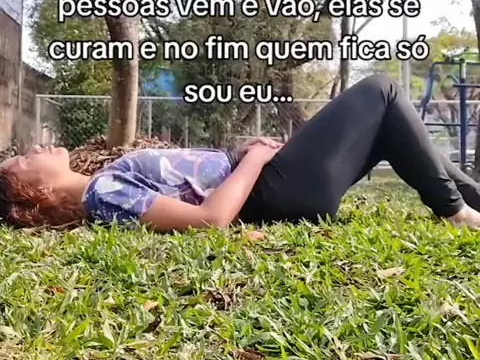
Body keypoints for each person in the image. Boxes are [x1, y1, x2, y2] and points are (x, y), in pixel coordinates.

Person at [2, 74, 480, 233]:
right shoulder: (104, 196)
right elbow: (210, 220)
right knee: (381, 91)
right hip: (274, 191)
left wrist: (240, 153)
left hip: (271, 180)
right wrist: (253, 161)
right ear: (32, 193)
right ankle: (456, 212)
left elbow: (192, 183)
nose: (35, 147)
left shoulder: (103, 185)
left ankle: (468, 204)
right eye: (23, 158)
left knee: (389, 128)